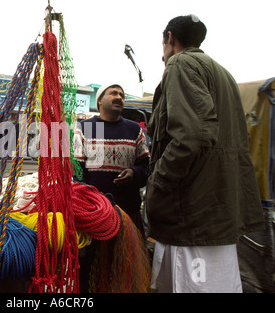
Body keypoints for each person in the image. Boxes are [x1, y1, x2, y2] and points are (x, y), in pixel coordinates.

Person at [145, 15, 265, 293]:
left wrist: (158, 183)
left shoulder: (180, 63)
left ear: (170, 38)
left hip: (190, 214)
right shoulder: (223, 73)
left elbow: (192, 136)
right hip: (216, 211)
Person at [73, 83, 150, 291]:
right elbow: (77, 170)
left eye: (122, 95)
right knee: (91, 268)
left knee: (125, 268)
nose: (119, 97)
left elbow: (147, 165)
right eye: (113, 93)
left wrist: (134, 173)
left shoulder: (134, 130)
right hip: (96, 215)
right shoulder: (87, 127)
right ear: (100, 101)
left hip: (128, 212)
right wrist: (88, 201)